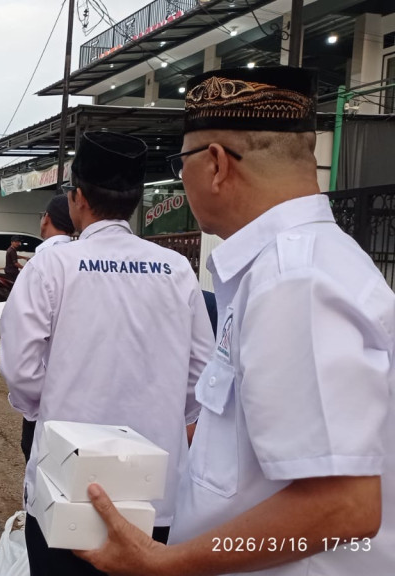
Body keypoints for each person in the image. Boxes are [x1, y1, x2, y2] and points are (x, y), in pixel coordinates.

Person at [77, 66, 393, 576]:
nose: (182, 175)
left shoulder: (295, 279)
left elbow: (345, 507)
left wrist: (166, 561)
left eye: (182, 162)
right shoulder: (285, 267)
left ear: (217, 164)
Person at [0, 130, 214, 576]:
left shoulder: (52, 265)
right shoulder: (175, 268)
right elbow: (202, 373)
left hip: (67, 482)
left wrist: (53, 406)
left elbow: (19, 370)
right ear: (134, 201)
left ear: (78, 198)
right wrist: (170, 414)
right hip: (153, 489)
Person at [17, 193, 77, 465]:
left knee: (39, 458)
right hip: (78, 389)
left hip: (48, 392)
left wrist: (35, 404)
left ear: (47, 220)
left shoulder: (43, 262)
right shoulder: (78, 259)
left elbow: (19, 353)